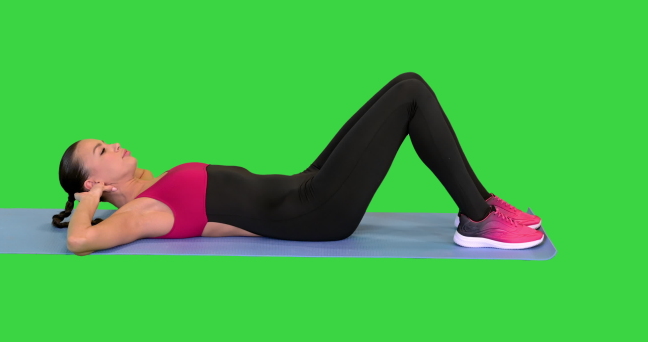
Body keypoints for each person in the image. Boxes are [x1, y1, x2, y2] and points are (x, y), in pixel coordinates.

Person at [53, 72, 545, 251]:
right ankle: (477, 221)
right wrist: (85, 204)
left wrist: (94, 193)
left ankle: (481, 202)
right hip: (314, 211)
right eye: (102, 151)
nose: (114, 144)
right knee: (411, 96)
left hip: (306, 186)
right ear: (94, 182)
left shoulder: (151, 184)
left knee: (404, 84)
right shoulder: (142, 213)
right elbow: (80, 240)